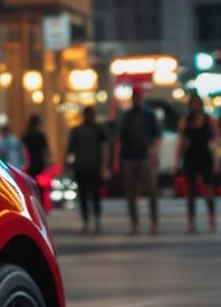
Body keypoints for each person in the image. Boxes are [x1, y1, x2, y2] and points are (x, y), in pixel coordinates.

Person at [116, 95, 162, 234]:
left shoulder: (148, 114)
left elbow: (156, 136)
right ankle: (135, 223)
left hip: (144, 157)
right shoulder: (127, 115)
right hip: (129, 157)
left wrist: (153, 153)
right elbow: (120, 138)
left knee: (151, 191)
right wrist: (117, 159)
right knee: (130, 193)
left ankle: (154, 222)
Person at [65, 105, 109, 233]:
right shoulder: (85, 130)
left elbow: (70, 151)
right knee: (88, 195)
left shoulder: (90, 130)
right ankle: (90, 220)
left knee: (90, 195)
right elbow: (71, 150)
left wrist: (104, 165)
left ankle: (91, 220)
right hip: (85, 166)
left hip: (88, 166)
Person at [178, 98, 220, 232]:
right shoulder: (185, 121)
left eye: (196, 104)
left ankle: (212, 220)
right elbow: (182, 142)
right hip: (191, 157)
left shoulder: (210, 121)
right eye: (192, 104)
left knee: (208, 191)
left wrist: (216, 161)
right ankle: (191, 222)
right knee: (190, 191)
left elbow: (215, 142)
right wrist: (177, 160)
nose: (194, 106)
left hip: (205, 157)